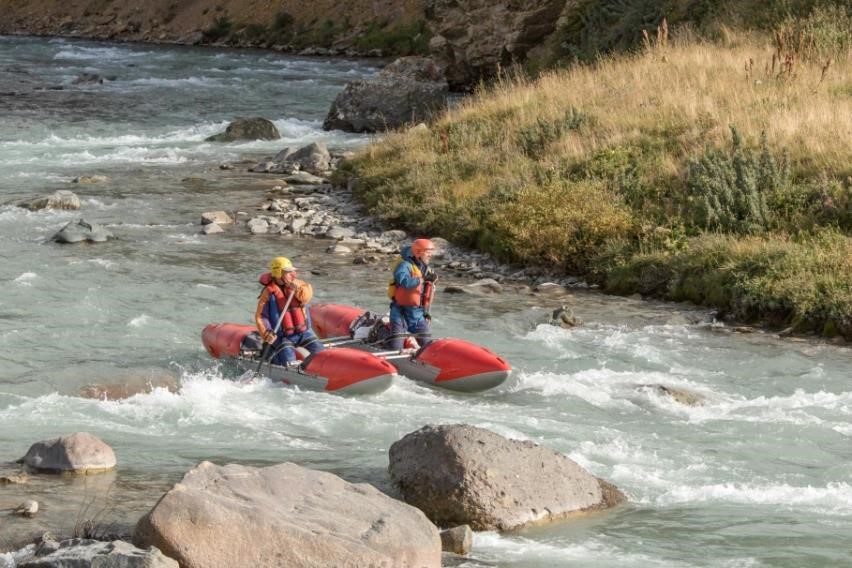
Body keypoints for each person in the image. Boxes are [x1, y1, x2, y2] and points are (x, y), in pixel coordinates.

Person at [255, 256, 324, 366]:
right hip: (282, 336)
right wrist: (267, 333)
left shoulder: (298, 284)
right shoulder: (268, 293)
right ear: (278, 273)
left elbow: (306, 297)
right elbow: (261, 316)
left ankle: (308, 366)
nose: (292, 274)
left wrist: (298, 290)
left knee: (321, 352)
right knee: (288, 359)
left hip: (303, 332)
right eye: (288, 272)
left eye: (292, 271)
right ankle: (274, 358)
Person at [386, 238, 438, 350]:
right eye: (428, 252)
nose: (430, 255)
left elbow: (424, 294)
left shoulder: (424, 268)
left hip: (418, 316)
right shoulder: (404, 265)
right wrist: (422, 279)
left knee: (429, 348)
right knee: (396, 349)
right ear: (419, 252)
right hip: (400, 315)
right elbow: (404, 282)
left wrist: (425, 313)